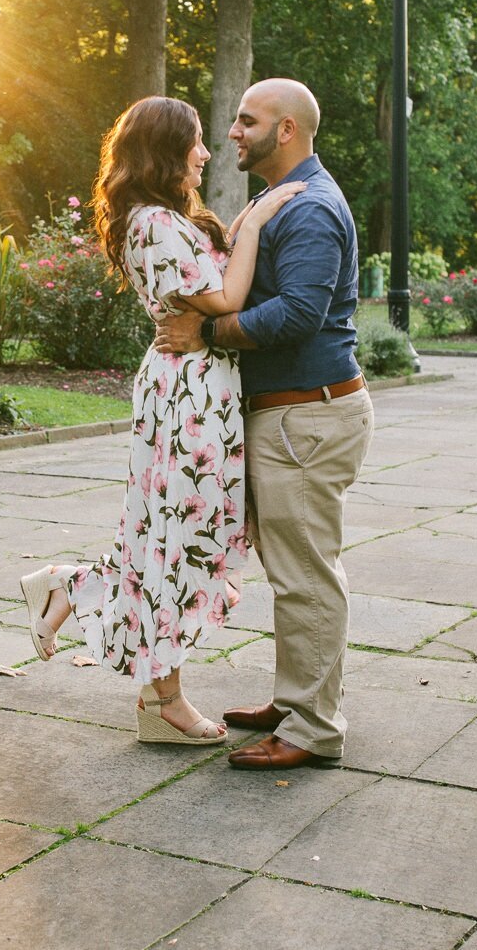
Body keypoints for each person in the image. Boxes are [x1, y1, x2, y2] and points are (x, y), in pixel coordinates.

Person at [19, 96, 304, 745]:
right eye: (196, 142)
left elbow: (212, 290)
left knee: (169, 537)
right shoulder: (151, 224)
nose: (206, 153)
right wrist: (257, 220)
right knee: (177, 541)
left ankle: (85, 610)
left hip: (199, 391)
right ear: (165, 151)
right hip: (186, 398)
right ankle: (160, 693)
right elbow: (227, 296)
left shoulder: (167, 220)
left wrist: (238, 228)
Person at [153, 77, 372, 772]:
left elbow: (296, 315)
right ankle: (297, 699)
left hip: (307, 415)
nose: (232, 133)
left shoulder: (308, 209)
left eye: (247, 121)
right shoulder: (279, 199)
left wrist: (207, 329)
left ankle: (313, 727)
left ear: (286, 130)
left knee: (307, 574)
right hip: (290, 417)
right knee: (295, 571)